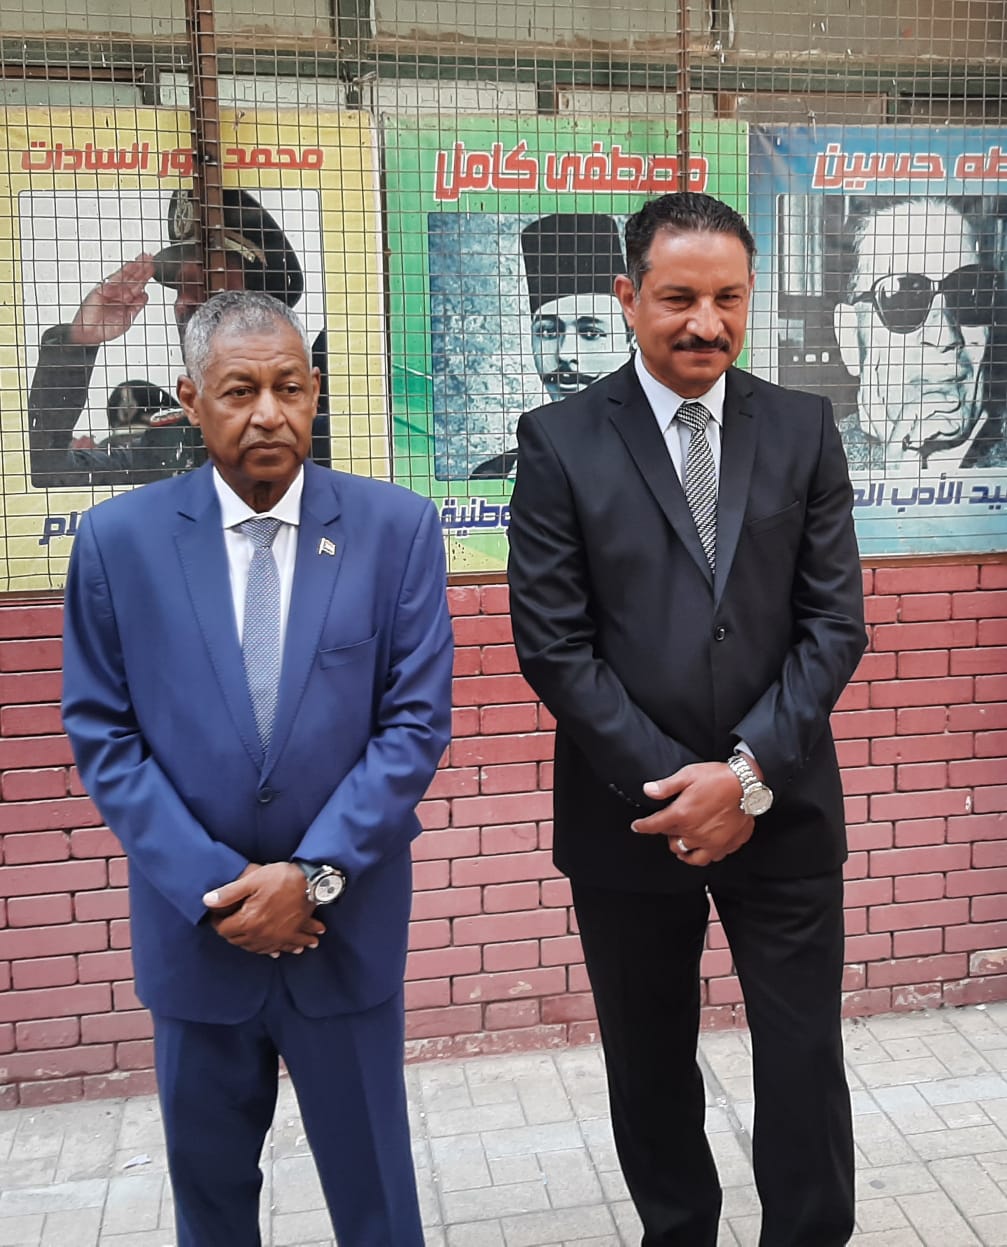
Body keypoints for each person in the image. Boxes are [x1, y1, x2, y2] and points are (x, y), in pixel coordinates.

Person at [507, 192, 867, 1247]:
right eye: (677, 298)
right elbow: (554, 644)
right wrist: (677, 788)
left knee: (801, 1055)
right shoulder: (559, 439)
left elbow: (833, 624)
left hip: (782, 804)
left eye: (727, 298)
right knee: (649, 1057)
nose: (705, 323)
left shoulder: (799, 428)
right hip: (630, 815)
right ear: (628, 297)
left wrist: (745, 775)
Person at [60, 290, 453, 1247]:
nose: (269, 413)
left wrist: (311, 875)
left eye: (289, 387)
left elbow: (413, 725)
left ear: (315, 391)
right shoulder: (119, 543)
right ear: (191, 400)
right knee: (212, 1204)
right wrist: (217, 888)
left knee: (376, 1202)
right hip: (198, 940)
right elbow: (104, 734)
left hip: (342, 930)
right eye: (240, 391)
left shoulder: (394, 530)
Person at [28, 187, 331, 488]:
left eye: (204, 283)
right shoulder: (169, 443)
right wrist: (78, 343)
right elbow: (46, 468)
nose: (184, 302)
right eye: (181, 287)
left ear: (260, 301)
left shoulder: (321, 430)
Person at [832, 196, 1006, 472]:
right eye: (904, 299)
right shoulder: (807, 465)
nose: (945, 336)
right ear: (851, 339)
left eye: (969, 294)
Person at [470, 212, 632, 478]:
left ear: (631, 339)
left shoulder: (667, 458)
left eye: (590, 332)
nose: (565, 354)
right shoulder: (496, 474)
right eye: (548, 332)